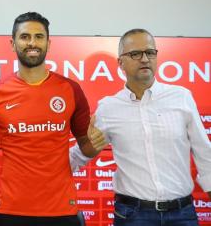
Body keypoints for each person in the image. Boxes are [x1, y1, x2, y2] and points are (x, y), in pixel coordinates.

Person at [0, 12, 107, 226]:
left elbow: (86, 147)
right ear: (12, 43)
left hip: (62, 209)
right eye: (25, 36)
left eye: (39, 36)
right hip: (13, 209)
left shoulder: (70, 89)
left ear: (48, 42)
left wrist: (95, 145)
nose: (32, 43)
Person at [70, 28, 211, 226]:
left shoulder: (181, 96)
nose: (144, 59)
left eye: (150, 52)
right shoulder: (108, 108)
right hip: (133, 215)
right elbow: (81, 154)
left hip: (182, 214)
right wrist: (40, 171)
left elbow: (205, 153)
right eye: (135, 54)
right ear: (120, 63)